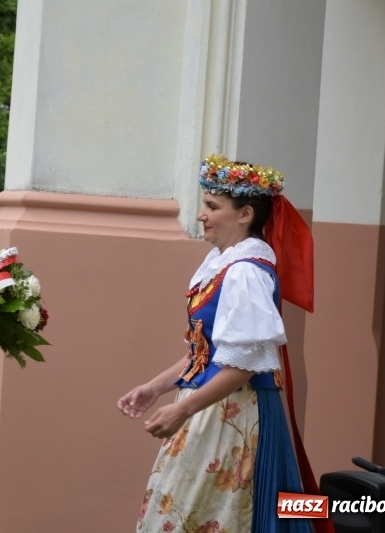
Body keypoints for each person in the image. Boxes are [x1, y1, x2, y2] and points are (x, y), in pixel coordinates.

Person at [117, 154, 326, 532]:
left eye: (213, 207)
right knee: (182, 512)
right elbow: (205, 353)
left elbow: (244, 365)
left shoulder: (246, 272)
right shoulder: (223, 264)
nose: (202, 215)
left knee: (215, 516)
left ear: (245, 214)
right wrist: (156, 388)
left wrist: (182, 410)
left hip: (234, 413)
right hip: (212, 407)